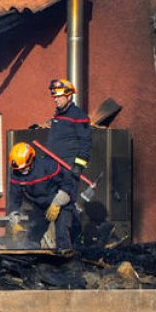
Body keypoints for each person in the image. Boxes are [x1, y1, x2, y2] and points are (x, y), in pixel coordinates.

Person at [46, 78, 92, 243]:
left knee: (63, 206)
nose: (56, 100)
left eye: (59, 97)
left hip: (68, 169)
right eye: (55, 97)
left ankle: (64, 248)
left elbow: (86, 142)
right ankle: (76, 238)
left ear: (69, 96)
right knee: (63, 206)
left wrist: (78, 165)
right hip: (54, 168)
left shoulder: (79, 116)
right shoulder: (58, 116)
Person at [7, 142, 75, 249]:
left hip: (61, 203)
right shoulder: (16, 176)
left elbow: (68, 185)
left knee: (62, 235)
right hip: (39, 206)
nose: (21, 171)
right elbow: (15, 199)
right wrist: (15, 221)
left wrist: (57, 203)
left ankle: (68, 263)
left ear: (31, 159)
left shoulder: (48, 166)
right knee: (32, 239)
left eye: (24, 167)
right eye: (19, 169)